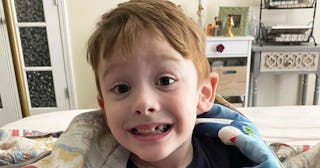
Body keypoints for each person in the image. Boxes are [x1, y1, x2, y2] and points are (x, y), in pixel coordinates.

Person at [24, 0, 281, 167]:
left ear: (203, 94)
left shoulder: (230, 159)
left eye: (165, 80)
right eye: (122, 88)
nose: (144, 103)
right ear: (103, 105)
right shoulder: (97, 162)